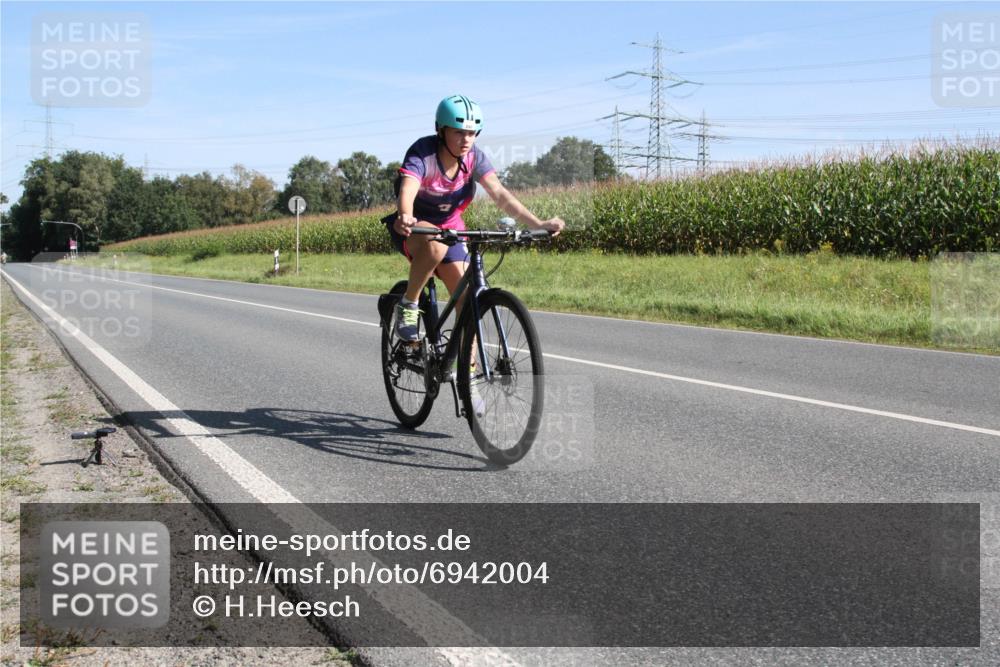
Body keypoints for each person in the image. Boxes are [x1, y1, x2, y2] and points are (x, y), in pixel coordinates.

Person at [383, 94, 565, 343]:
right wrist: (405, 214)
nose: (466, 139)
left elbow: (500, 194)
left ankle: (466, 370)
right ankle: (408, 304)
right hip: (415, 226)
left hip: (452, 228)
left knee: (469, 304)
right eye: (458, 132)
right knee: (435, 245)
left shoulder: (474, 158)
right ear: (441, 130)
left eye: (472, 133)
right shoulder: (423, 152)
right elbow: (408, 188)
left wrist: (539, 224)